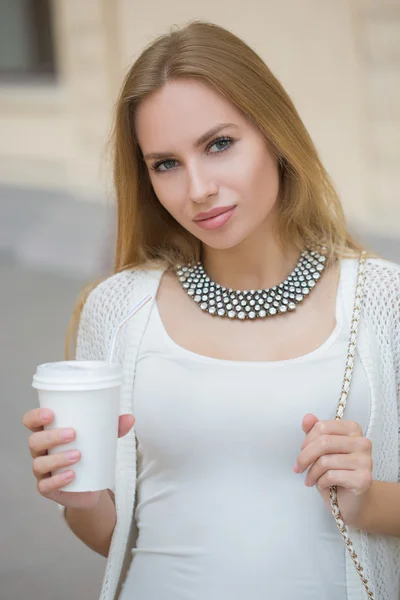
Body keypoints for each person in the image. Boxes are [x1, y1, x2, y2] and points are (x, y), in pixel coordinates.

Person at [22, 20, 400, 600]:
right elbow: (116, 538)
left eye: (218, 144)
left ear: (275, 135)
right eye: (165, 164)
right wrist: (81, 498)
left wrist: (367, 498)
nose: (197, 188)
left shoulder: (382, 300)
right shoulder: (119, 309)